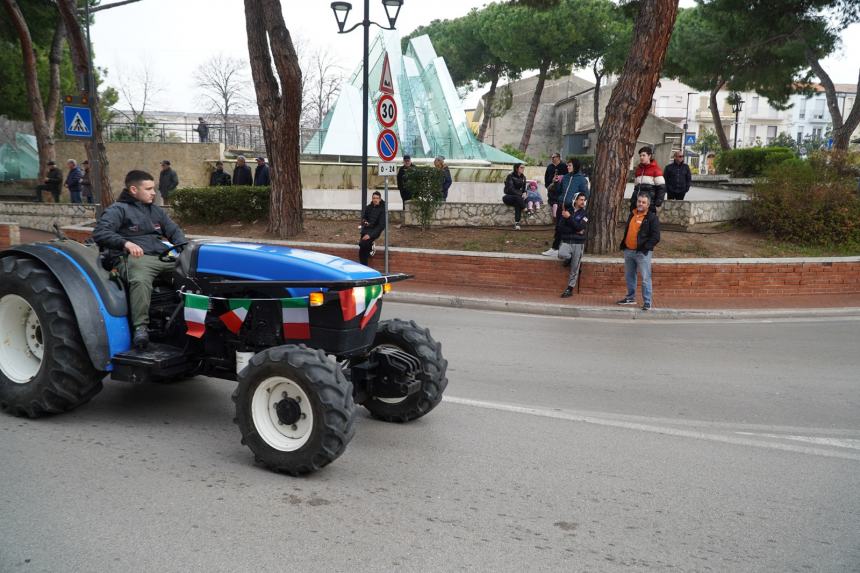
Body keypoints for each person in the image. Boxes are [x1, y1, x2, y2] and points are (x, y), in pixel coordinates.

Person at [92, 169, 187, 349]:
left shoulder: (156, 211)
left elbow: (174, 232)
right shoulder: (118, 209)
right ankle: (140, 328)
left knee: (190, 274)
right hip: (134, 258)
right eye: (149, 189)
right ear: (134, 190)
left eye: (154, 189)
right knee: (140, 278)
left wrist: (187, 251)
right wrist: (125, 243)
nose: (154, 193)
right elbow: (101, 232)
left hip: (161, 257)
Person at [617, 194, 660, 311]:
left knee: (646, 278)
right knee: (629, 276)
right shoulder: (632, 214)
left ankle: (647, 302)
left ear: (648, 204)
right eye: (639, 201)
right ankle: (630, 298)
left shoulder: (652, 218)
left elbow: (656, 237)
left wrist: (645, 247)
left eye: (643, 202)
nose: (641, 204)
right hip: (628, 251)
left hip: (642, 253)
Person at [557, 192, 588, 298]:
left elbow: (581, 227)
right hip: (566, 241)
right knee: (561, 254)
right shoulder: (566, 212)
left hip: (578, 244)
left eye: (584, 200)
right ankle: (569, 259)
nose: (583, 202)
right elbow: (560, 228)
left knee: (575, 268)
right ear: (575, 200)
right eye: (581, 200)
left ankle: (569, 288)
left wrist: (570, 218)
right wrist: (575, 229)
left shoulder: (585, 214)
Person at [542, 152, 567, 256]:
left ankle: (560, 246)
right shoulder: (549, 168)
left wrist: (560, 179)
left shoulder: (564, 167)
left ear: (559, 158)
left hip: (562, 196)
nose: (553, 159)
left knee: (562, 224)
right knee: (558, 222)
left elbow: (566, 180)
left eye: (554, 157)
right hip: (553, 193)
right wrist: (551, 180)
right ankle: (556, 246)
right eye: (551, 158)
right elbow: (546, 181)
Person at [630, 146, 665, 213]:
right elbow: (636, 188)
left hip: (649, 205)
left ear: (649, 156)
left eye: (644, 155)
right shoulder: (638, 170)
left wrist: (658, 204)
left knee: (648, 223)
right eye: (640, 156)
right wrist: (633, 201)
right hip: (637, 203)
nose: (641, 157)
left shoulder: (656, 170)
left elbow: (662, 188)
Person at [358, 191, 385, 265]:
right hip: (366, 229)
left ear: (380, 199)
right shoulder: (368, 207)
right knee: (361, 247)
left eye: (377, 198)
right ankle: (364, 267)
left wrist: (370, 235)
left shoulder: (383, 210)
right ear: (372, 199)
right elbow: (364, 217)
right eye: (374, 198)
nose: (375, 200)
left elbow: (381, 226)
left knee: (364, 245)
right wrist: (364, 221)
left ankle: (371, 246)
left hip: (374, 231)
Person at [502, 163, 527, 230]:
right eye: (521, 167)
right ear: (516, 168)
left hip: (518, 199)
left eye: (523, 167)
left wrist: (525, 193)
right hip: (508, 197)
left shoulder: (523, 178)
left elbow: (524, 189)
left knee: (518, 204)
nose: (523, 169)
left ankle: (517, 223)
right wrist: (521, 194)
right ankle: (525, 209)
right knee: (517, 198)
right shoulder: (510, 176)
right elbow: (510, 189)